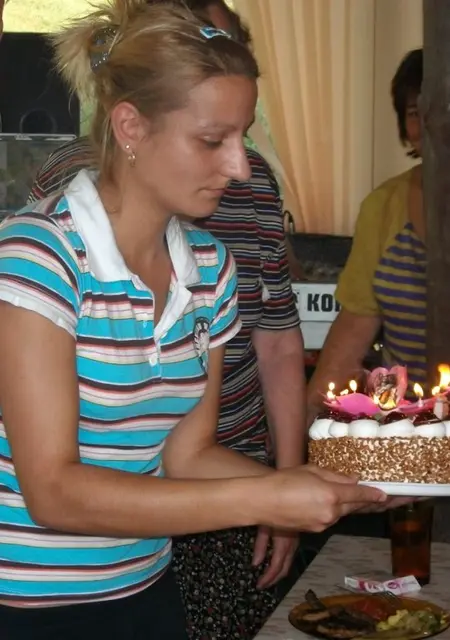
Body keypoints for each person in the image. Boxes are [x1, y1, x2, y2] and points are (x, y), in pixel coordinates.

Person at [0, 2, 386, 639]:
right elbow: (54, 492)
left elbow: (188, 454)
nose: (239, 166)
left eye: (243, 137)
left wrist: (321, 486)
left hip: (146, 588)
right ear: (130, 126)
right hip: (30, 605)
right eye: (212, 140)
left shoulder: (209, 269)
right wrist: (265, 497)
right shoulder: (38, 259)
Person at [307, 48, 424, 420]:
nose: (434, 125)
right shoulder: (384, 207)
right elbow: (349, 340)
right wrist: (309, 432)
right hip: (407, 430)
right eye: (416, 113)